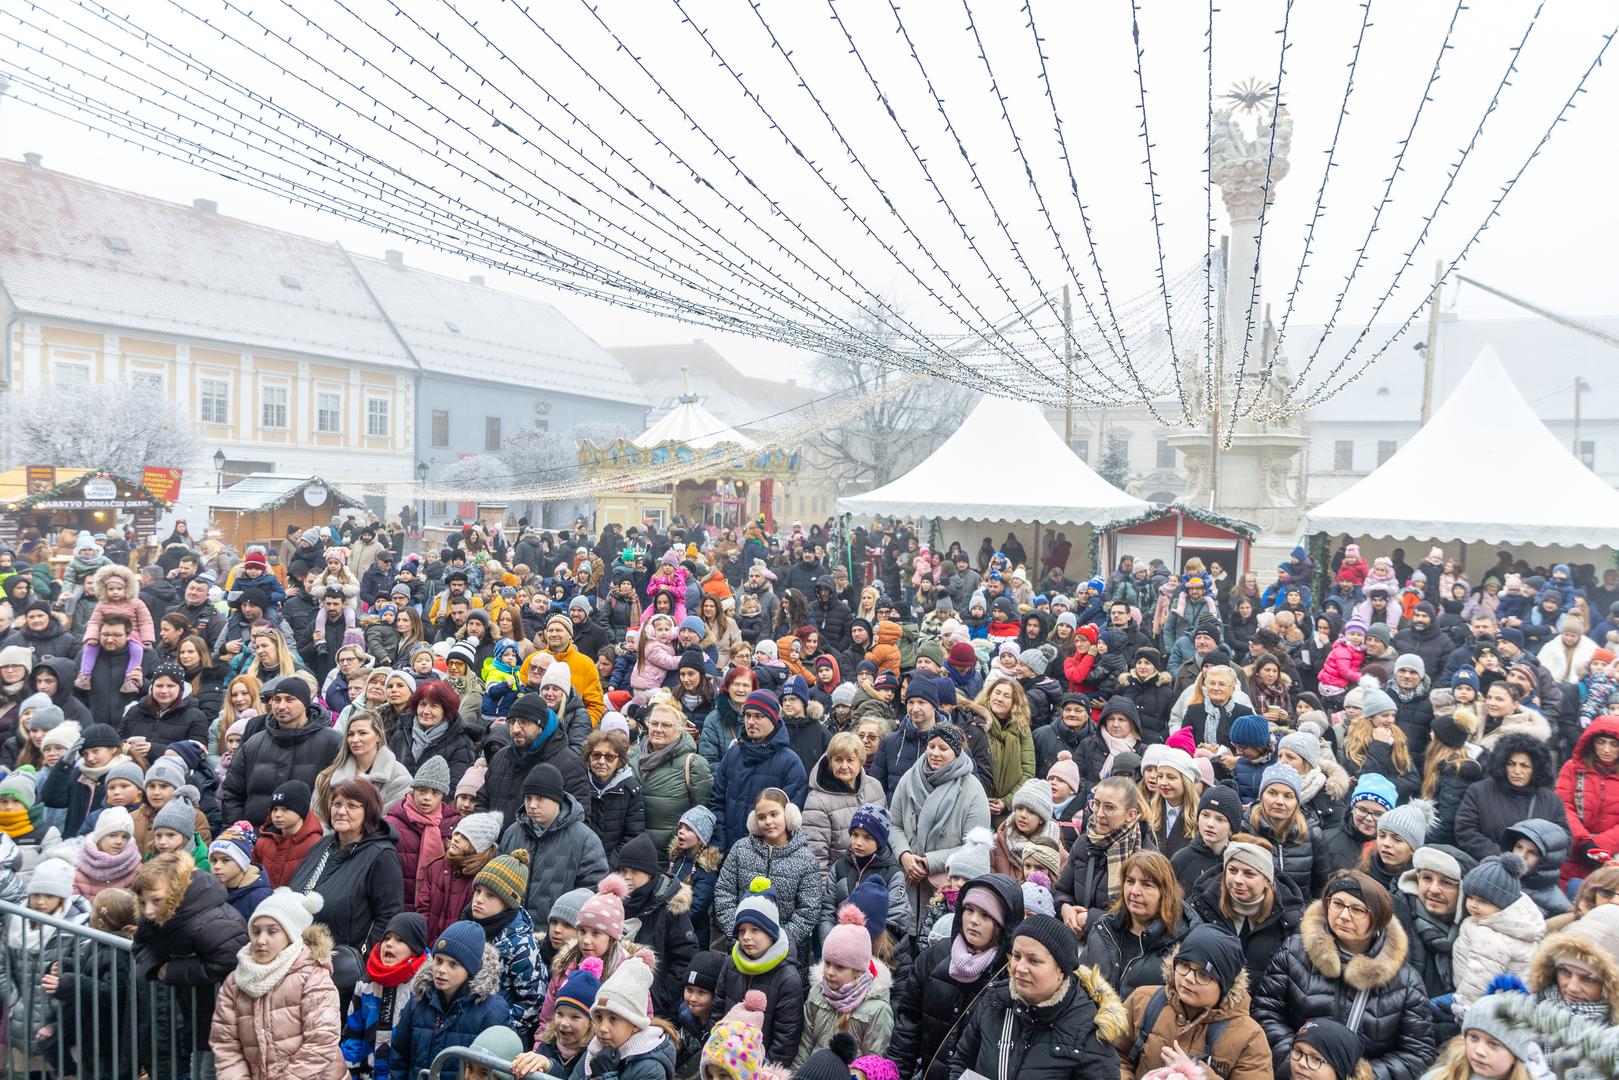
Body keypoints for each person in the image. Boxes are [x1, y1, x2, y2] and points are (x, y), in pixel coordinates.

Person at [1253, 870, 1436, 1080]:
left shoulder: (1405, 981)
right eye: (1337, 904)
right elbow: (1266, 1012)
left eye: (1357, 909)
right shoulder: (1295, 951)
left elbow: (1418, 1053)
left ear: (1377, 918)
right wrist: (1301, 1062)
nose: (1343, 916)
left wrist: (1359, 1075)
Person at [947, 913, 1125, 1080]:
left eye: (1034, 961)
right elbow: (961, 1061)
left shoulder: (1089, 1029)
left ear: (1061, 971)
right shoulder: (995, 1001)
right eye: (1017, 956)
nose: (1020, 968)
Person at [890, 873, 1023, 1080]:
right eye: (969, 910)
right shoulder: (935, 957)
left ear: (1003, 925)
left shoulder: (1010, 975)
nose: (973, 921)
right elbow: (907, 1026)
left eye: (985, 915)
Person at [208, 888, 345, 1080]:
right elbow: (226, 1044)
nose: (261, 940)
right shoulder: (235, 981)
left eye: (272, 931)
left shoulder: (312, 976)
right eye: (255, 932)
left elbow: (321, 1041)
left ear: (291, 935)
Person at [1112, 923, 1272, 1080]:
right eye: (1184, 965)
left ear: (1226, 986)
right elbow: (1112, 1056)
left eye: (1203, 974)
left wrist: (1199, 1074)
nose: (1188, 978)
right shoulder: (1142, 1001)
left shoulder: (1249, 1037)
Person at [132, 851, 250, 1057]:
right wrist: (157, 968)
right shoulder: (157, 914)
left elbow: (230, 961)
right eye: (142, 903)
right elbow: (141, 943)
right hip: (187, 1011)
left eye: (156, 901)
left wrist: (172, 970)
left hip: (220, 1015)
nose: (148, 911)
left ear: (176, 891)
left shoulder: (215, 921)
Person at [889, 722, 992, 938]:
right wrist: (905, 855)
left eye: (943, 748)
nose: (935, 753)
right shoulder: (909, 778)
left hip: (945, 886)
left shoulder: (972, 788)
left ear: (956, 752)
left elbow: (974, 845)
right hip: (907, 879)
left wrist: (928, 861)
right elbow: (895, 824)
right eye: (931, 746)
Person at [287, 778, 404, 954]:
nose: (341, 811)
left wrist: (363, 958)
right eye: (337, 804)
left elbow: (388, 917)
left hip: (341, 964)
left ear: (368, 811)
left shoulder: (381, 856)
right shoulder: (323, 844)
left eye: (351, 806)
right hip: (297, 953)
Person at [389, 921, 512, 1080]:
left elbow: (497, 1071)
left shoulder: (492, 1011)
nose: (441, 970)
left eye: (453, 964)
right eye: (438, 960)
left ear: (471, 969)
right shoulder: (418, 1001)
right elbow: (400, 1056)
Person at [712, 787, 824, 955]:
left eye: (774, 814)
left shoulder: (806, 859)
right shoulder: (740, 849)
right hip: (742, 948)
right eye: (762, 817)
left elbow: (809, 909)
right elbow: (724, 892)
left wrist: (779, 940)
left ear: (789, 815)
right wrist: (737, 933)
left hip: (785, 954)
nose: (768, 822)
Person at [221, 677, 342, 826]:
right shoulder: (254, 743)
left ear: (305, 703)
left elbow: (339, 796)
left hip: (309, 840)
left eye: (289, 700)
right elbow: (232, 792)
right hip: (255, 838)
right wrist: (241, 829)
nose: (281, 706)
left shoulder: (332, 742)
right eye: (277, 700)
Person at [495, 761, 609, 922]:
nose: (532, 805)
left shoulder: (585, 840)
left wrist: (562, 928)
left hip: (557, 935)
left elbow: (591, 892)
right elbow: (497, 881)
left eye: (540, 798)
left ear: (556, 799)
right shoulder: (512, 832)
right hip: (510, 929)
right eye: (528, 798)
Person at [1188, 832, 1305, 983]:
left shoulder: (1290, 919)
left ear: (1267, 880)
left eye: (1249, 874)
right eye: (1232, 870)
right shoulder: (1200, 906)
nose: (1238, 880)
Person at [711, 878, 805, 1064]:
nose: (746, 937)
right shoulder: (732, 963)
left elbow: (786, 1037)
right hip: (726, 1058)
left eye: (755, 930)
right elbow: (718, 1009)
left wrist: (763, 1068)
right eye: (742, 930)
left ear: (770, 933)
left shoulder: (788, 978)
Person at [1078, 850, 1193, 1001]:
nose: (1135, 891)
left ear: (1165, 892)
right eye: (1130, 881)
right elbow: (1078, 984)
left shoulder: (1182, 943)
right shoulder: (1103, 929)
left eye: (1147, 885)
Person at [1056, 775, 1156, 940]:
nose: (1099, 814)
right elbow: (1061, 890)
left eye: (1109, 807)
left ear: (1131, 814)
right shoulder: (1083, 843)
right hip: (1078, 941)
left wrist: (1090, 919)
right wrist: (1065, 908)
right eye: (1096, 804)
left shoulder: (1146, 856)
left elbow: (1142, 916)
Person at [793, 904, 894, 1066]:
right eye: (827, 963)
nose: (830, 972)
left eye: (840, 967)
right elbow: (805, 1045)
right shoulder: (817, 993)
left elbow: (874, 1065)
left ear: (858, 971)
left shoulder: (877, 1010)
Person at [707, 689, 808, 850]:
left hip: (767, 856)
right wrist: (721, 842)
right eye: (747, 715)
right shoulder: (732, 754)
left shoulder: (791, 763)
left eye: (759, 716)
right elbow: (717, 802)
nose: (751, 722)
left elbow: (790, 819)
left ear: (773, 719)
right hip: (728, 851)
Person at [1453, 731, 1568, 863]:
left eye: (1524, 765)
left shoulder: (1551, 801)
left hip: (1533, 876)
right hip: (1488, 868)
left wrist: (1533, 860)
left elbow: (1562, 840)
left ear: (1536, 768)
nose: (1517, 771)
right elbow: (1465, 831)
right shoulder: (1478, 791)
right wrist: (1503, 857)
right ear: (1502, 764)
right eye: (1511, 764)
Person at [1450, 854, 1545, 1011]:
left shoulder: (1491, 936)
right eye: (1470, 897)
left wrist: (1464, 1008)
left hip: (1482, 1006)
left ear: (1503, 903)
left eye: (1483, 901)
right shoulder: (1509, 923)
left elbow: (1480, 978)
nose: (1472, 905)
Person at [632, 698, 714, 851]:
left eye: (666, 725)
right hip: (635, 848)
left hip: (672, 853)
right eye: (654, 723)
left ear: (679, 729)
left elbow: (701, 812)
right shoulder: (633, 758)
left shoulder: (694, 764)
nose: (658, 729)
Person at [1417, 992, 1555, 1080]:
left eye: (1493, 1044)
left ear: (1516, 1054)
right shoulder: (1442, 1076)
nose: (1479, 1051)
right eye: (1474, 1038)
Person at [803, 731, 886, 869]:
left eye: (850, 760)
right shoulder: (816, 801)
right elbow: (816, 858)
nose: (844, 766)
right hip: (838, 882)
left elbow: (884, 837)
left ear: (861, 761)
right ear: (830, 762)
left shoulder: (875, 787)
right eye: (838, 760)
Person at [1556, 713, 1619, 888]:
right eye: (1601, 742)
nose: (1606, 750)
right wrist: (1583, 842)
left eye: (1614, 744)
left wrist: (1599, 847)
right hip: (1573, 851)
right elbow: (1564, 807)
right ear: (1591, 742)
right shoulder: (1573, 768)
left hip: (1609, 858)